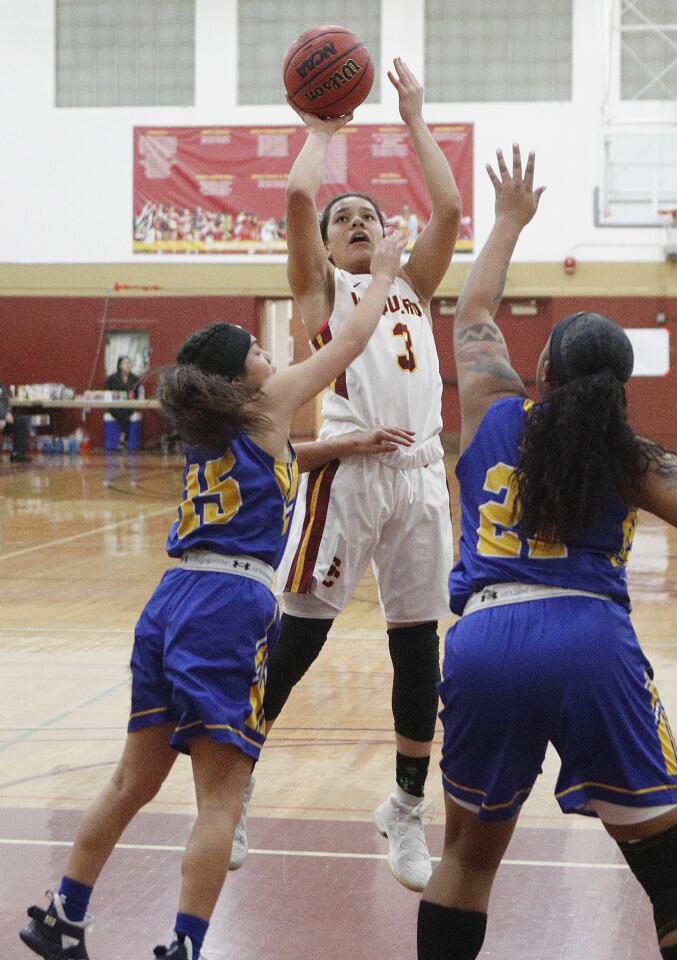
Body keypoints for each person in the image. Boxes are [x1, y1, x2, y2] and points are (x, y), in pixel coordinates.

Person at [19, 230, 408, 960]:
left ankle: (62, 916)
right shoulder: (267, 403)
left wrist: (342, 447)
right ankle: (187, 946)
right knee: (222, 799)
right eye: (259, 353)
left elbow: (283, 459)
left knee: (132, 779)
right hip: (228, 609)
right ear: (241, 375)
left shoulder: (219, 426)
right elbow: (349, 341)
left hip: (171, 599)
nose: (272, 358)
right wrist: (381, 274)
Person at [417, 145, 677, 960]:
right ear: (620, 388)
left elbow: (472, 308)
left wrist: (510, 220)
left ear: (542, 368)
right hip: (587, 644)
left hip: (483, 641)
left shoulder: (488, 406)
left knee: (464, 862)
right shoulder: (635, 456)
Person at [232, 58, 462, 892]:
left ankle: (403, 807)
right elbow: (297, 202)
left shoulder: (411, 287)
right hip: (348, 478)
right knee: (296, 641)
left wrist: (413, 118)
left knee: (417, 652)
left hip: (421, 478)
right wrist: (322, 133)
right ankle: (238, 777)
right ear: (328, 248)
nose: (359, 221)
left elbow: (448, 208)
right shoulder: (322, 287)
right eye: (347, 219)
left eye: (370, 214)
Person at [106, 356, 141, 448]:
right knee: (123, 412)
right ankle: (123, 438)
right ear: (120, 365)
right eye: (125, 363)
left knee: (127, 411)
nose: (127, 365)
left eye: (129, 363)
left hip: (129, 405)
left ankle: (122, 438)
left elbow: (137, 394)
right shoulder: (112, 378)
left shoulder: (135, 378)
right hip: (115, 405)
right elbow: (108, 393)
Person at [0, 381, 31, 462]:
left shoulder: (0, 386)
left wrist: (7, 413)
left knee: (20, 421)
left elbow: (6, 401)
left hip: (3, 419)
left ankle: (18, 454)